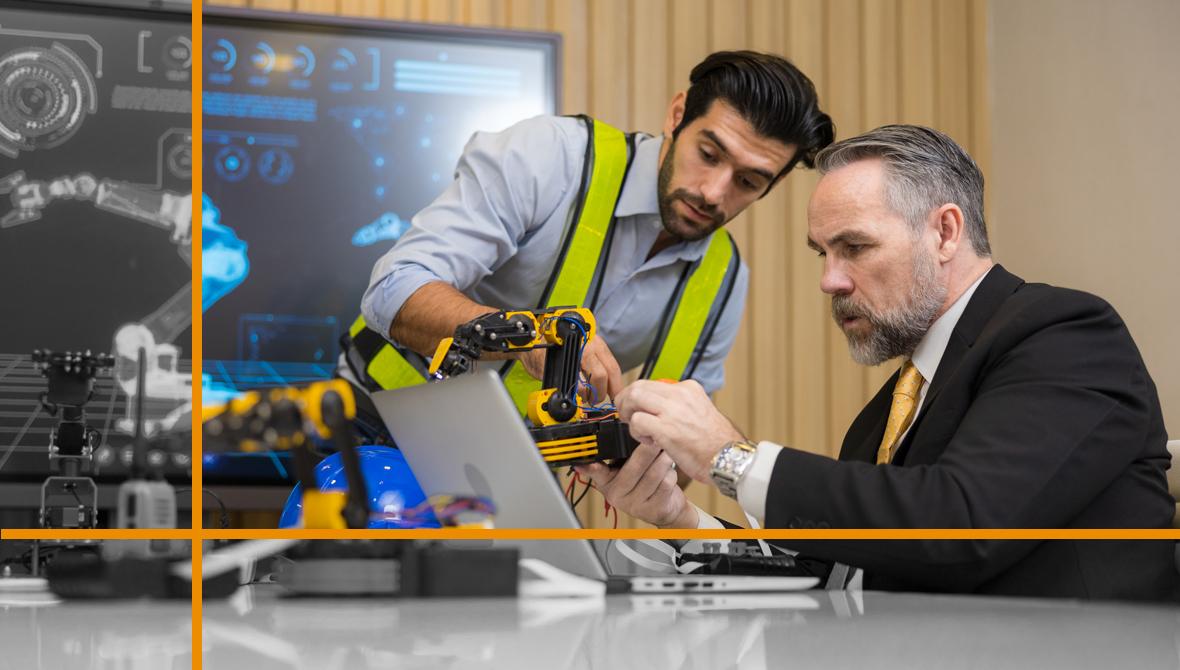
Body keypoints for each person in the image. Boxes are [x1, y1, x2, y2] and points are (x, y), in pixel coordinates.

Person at [580, 124, 1177, 600]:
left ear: (945, 232)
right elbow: (840, 580)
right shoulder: (884, 416)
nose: (829, 281)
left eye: (855, 247)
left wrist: (726, 458)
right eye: (822, 253)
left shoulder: (1064, 333)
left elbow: (962, 528)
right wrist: (680, 516)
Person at [340, 51, 833, 435]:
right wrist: (526, 334)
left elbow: (680, 449)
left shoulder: (723, 280)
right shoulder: (551, 156)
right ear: (677, 114)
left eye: (748, 182)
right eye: (708, 153)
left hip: (517, 468)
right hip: (377, 424)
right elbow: (393, 290)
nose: (713, 192)